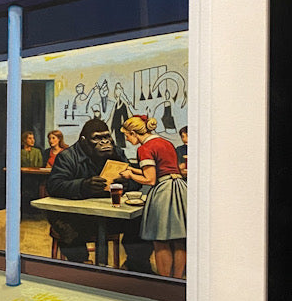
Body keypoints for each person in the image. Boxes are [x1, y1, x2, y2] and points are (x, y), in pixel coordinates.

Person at [45, 118, 146, 266]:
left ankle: (136, 265)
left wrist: (127, 183)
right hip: (78, 217)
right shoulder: (68, 157)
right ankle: (82, 265)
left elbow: (137, 180)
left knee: (141, 222)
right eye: (97, 138)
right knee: (67, 229)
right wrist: (83, 186)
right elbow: (54, 186)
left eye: (106, 137)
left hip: (110, 215)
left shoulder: (117, 153)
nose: (105, 142)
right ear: (84, 141)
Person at [119, 115, 188, 278]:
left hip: (164, 192)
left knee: (160, 241)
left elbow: (150, 180)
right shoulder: (165, 143)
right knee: (179, 240)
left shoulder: (144, 149)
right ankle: (177, 280)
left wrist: (130, 175)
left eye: (127, 136)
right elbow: (161, 169)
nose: (127, 140)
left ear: (134, 133)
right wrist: (133, 169)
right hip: (180, 189)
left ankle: (164, 281)